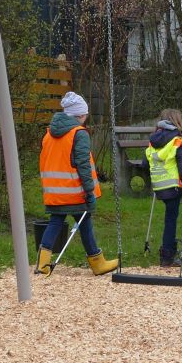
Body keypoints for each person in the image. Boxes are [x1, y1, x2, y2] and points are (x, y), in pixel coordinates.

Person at [36, 92, 116, 277]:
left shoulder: (49, 134)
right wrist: (89, 190)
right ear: (80, 115)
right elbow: (83, 164)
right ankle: (97, 263)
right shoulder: (79, 134)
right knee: (85, 224)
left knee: (55, 222)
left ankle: (42, 263)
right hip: (75, 191)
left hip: (54, 191)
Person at [145, 109, 182, 267]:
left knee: (169, 219)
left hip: (159, 186)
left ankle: (167, 252)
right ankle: (167, 255)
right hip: (173, 187)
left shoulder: (153, 141)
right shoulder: (177, 141)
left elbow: (145, 163)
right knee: (171, 221)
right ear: (177, 121)